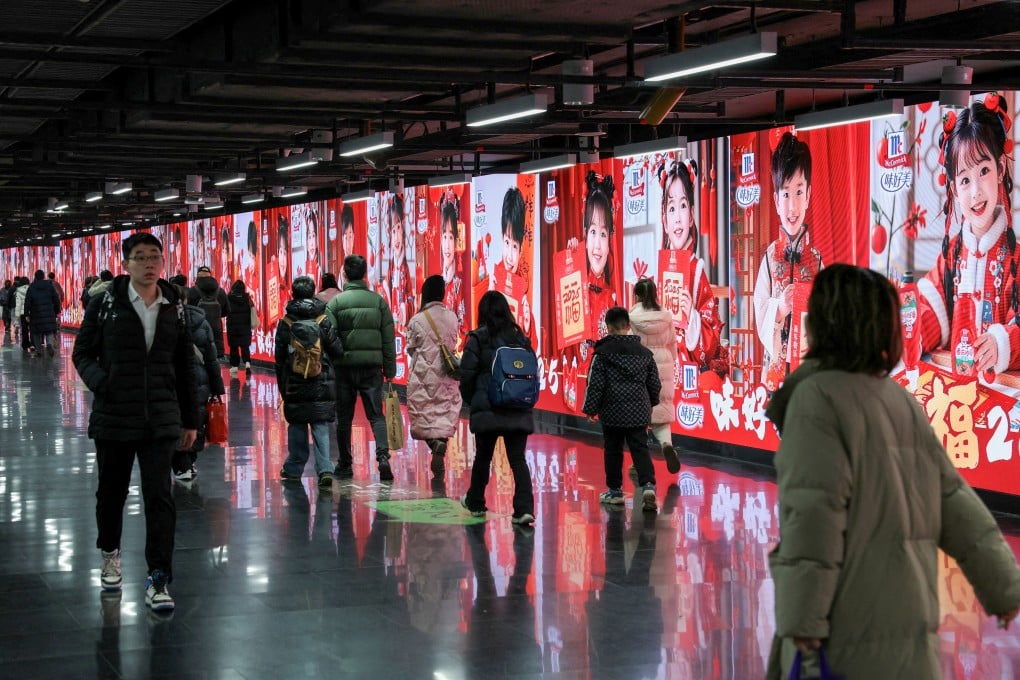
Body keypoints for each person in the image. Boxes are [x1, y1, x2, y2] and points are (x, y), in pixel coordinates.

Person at [763, 263, 1020, 679]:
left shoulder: (816, 398)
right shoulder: (898, 400)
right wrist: (1004, 587)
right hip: (908, 632)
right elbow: (955, 502)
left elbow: (813, 518)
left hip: (845, 636)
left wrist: (802, 618)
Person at [72, 232, 198, 613]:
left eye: (154, 257)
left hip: (161, 417)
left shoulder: (173, 306)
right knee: (111, 492)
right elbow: (83, 352)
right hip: (115, 415)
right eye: (140, 257)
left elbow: (184, 365)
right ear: (126, 263)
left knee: (160, 498)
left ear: (163, 262)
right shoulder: (105, 303)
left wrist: (191, 419)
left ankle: (159, 577)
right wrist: (102, 384)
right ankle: (110, 551)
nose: (148, 263)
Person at [917, 96, 1020, 378]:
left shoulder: (1017, 260)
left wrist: (1002, 344)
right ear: (953, 189)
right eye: (964, 179)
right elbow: (927, 310)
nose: (975, 191)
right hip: (957, 402)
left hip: (1006, 407)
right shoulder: (950, 257)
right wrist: (908, 331)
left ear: (1000, 169)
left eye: (984, 171)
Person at [753, 131, 824, 392]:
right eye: (785, 194)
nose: (792, 206)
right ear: (775, 201)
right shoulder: (770, 259)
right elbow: (760, 311)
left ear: (808, 196)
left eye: (798, 192)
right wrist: (780, 308)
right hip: (774, 379)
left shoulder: (817, 261)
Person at [458, 290, 536, 525]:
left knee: (483, 456)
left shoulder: (478, 338)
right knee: (517, 460)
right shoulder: (520, 338)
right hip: (518, 406)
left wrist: (474, 401)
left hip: (488, 406)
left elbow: (467, 375)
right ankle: (524, 509)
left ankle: (476, 501)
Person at [324, 254, 397, 481]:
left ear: (344, 274)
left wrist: (336, 359)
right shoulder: (379, 302)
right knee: (376, 415)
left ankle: (345, 464)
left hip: (344, 368)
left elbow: (329, 337)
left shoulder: (336, 303)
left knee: (344, 418)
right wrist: (390, 370)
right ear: (365, 274)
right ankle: (383, 456)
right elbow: (388, 338)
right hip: (372, 368)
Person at [581, 306, 661, 512]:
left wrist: (590, 409)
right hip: (638, 411)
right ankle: (648, 486)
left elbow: (595, 384)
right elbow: (654, 384)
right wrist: (650, 404)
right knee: (640, 448)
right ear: (628, 326)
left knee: (613, 450)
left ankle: (615, 491)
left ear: (608, 327)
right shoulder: (644, 354)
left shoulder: (602, 353)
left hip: (612, 411)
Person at [276, 276, 344, 488]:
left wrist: (283, 387)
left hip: (295, 382)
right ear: (313, 293)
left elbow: (279, 358)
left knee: (297, 424)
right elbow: (337, 350)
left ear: (293, 294)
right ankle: (324, 469)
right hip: (321, 381)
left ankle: (294, 467)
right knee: (320, 424)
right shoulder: (322, 320)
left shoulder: (286, 323)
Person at [657, 159, 722, 367]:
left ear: (692, 215)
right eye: (672, 208)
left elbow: (711, 340)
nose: (677, 218)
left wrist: (692, 315)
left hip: (687, 374)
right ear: (665, 221)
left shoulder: (696, 271)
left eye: (683, 205)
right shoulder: (659, 272)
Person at [169, 281, 225, 482]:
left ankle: (182, 463)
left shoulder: (163, 320)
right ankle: (188, 461)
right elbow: (211, 357)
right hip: (200, 381)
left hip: (173, 381)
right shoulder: (201, 320)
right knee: (196, 420)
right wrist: (218, 387)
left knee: (177, 420)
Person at [406, 275, 461, 478]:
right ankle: (440, 444)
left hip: (422, 375)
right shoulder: (452, 317)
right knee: (444, 414)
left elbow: (411, 348)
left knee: (423, 414)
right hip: (447, 375)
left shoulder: (417, 320)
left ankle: (433, 443)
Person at [629, 278, 680, 473]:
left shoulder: (632, 316)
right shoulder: (665, 316)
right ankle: (666, 445)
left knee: (639, 419)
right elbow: (673, 348)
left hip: (640, 367)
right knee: (661, 416)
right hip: (663, 367)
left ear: (637, 295)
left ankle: (640, 462)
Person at [491, 186, 535, 341]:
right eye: (507, 242)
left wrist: (528, 325)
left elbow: (533, 346)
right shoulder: (493, 280)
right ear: (501, 237)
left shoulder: (524, 283)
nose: (510, 256)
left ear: (522, 248)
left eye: (515, 246)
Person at [438, 193, 467, 338]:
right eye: (444, 236)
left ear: (456, 241)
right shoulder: (438, 281)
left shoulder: (459, 283)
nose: (447, 245)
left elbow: (463, 327)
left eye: (451, 237)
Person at [189, 265, 230, 359]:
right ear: (210, 276)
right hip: (216, 334)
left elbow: (188, 311)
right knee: (214, 364)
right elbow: (226, 311)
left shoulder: (192, 292)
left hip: (197, 333)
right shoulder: (221, 292)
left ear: (198, 277)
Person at [386, 195, 413, 328]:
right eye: (393, 231)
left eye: (398, 229)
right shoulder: (389, 267)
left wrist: (404, 308)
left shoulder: (408, 266)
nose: (396, 237)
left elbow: (412, 298)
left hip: (405, 328)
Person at [24, 269, 61, 356]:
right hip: (49, 312)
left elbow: (27, 301)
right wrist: (56, 310)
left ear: (35, 277)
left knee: (36, 333)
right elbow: (56, 299)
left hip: (36, 313)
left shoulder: (31, 287)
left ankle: (39, 351)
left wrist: (26, 314)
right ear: (44, 276)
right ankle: (49, 344)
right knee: (49, 331)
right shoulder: (49, 286)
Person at [225, 279, 255, 376]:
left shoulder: (229, 298)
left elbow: (225, 311)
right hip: (245, 326)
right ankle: (247, 363)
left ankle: (234, 367)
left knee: (234, 347)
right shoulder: (247, 298)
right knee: (245, 346)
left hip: (232, 327)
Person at [13, 275, 32, 353]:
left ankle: (25, 344)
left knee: (24, 329)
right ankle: (33, 344)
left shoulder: (19, 290)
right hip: (31, 312)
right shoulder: (31, 289)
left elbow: (18, 304)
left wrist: (17, 315)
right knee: (32, 328)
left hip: (22, 313)